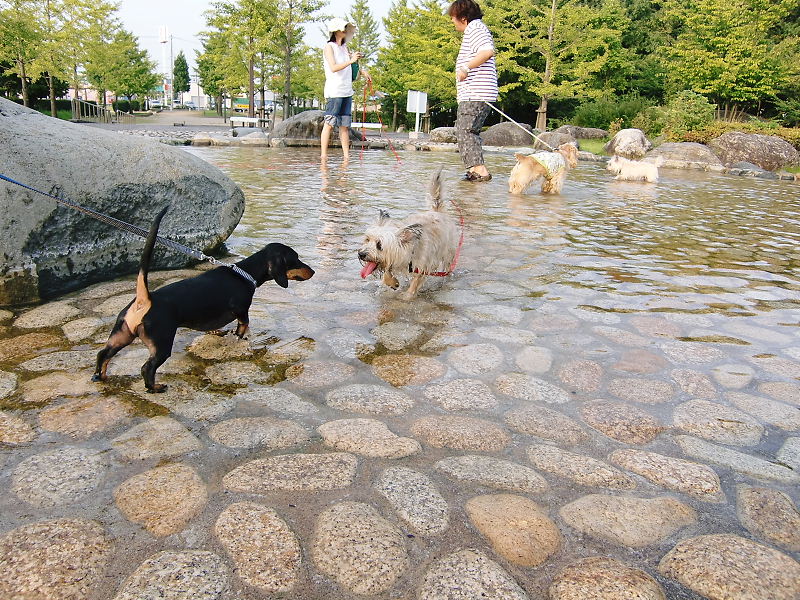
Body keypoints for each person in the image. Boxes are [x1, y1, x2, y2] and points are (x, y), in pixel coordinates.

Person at [448, 0, 498, 182]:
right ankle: (475, 171)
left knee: (466, 131)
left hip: (476, 94)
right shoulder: (476, 29)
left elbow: (487, 52)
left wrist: (465, 68)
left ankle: (480, 172)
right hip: (477, 93)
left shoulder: (475, 28)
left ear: (463, 17)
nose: (452, 21)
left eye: (453, 17)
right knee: (468, 131)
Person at [321, 18, 367, 162]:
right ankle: (323, 156)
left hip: (347, 91)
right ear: (336, 31)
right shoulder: (329, 47)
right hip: (335, 91)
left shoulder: (345, 48)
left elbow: (349, 67)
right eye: (344, 28)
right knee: (329, 124)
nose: (346, 31)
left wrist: (362, 71)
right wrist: (351, 60)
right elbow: (334, 67)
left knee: (345, 126)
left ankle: (346, 158)